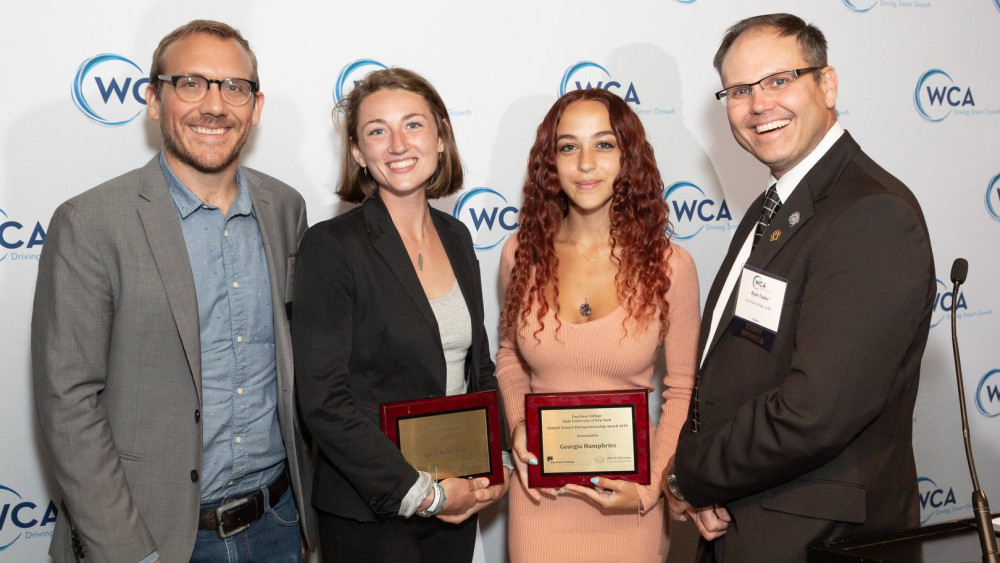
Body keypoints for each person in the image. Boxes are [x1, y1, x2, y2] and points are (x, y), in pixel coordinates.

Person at [32, 19, 317, 563]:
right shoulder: (91, 222)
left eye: (234, 87)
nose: (214, 105)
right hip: (153, 537)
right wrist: (126, 550)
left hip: (278, 523)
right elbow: (67, 402)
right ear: (153, 100)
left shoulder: (286, 208)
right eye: (191, 83)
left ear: (255, 108)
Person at [663, 13, 936, 562]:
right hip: (750, 520)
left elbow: (816, 410)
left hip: (818, 541)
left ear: (827, 84)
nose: (758, 104)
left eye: (778, 80)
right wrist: (711, 483)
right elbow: (739, 364)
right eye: (739, 90)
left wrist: (693, 475)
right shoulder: (775, 206)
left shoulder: (872, 213)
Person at [291, 67, 510, 563]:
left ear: (440, 136)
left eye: (413, 125)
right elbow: (325, 400)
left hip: (457, 502)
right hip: (375, 516)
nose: (397, 144)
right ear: (357, 152)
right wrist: (422, 493)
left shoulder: (456, 238)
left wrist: (493, 464)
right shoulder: (331, 247)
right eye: (376, 131)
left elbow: (480, 369)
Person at [496, 88, 700, 562]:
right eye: (569, 146)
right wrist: (517, 423)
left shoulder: (671, 265)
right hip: (541, 500)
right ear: (551, 162)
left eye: (604, 144)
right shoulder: (519, 255)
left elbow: (683, 387)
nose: (586, 163)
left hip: (630, 501)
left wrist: (651, 489)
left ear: (628, 157)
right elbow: (508, 357)